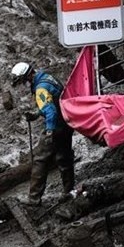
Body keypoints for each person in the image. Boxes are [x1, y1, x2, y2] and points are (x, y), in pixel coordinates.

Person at [11, 62, 75, 206]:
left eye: (22, 82)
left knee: (40, 159)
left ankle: (34, 198)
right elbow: (53, 101)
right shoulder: (47, 77)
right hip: (67, 122)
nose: (23, 85)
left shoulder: (40, 89)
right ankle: (68, 191)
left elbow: (50, 111)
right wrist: (36, 114)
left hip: (56, 126)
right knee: (64, 157)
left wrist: (49, 131)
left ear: (28, 77)